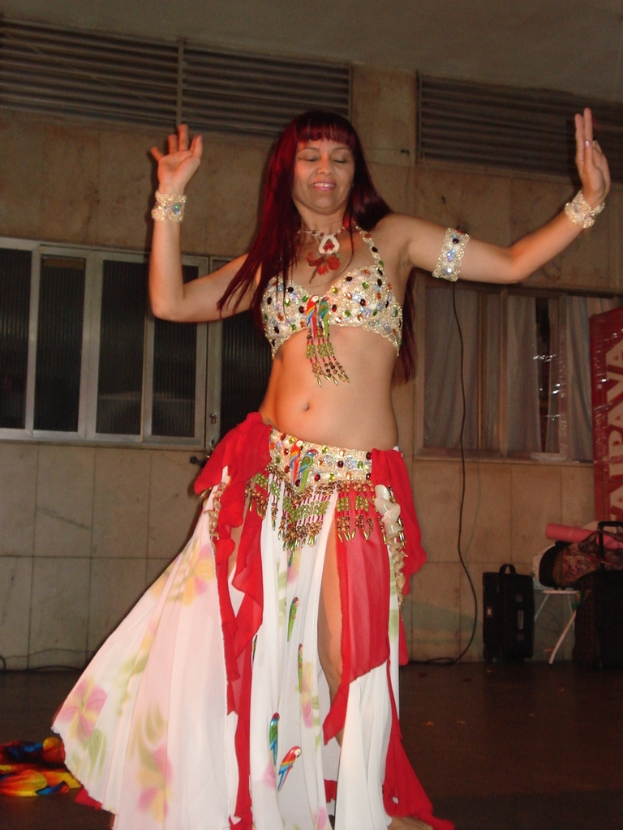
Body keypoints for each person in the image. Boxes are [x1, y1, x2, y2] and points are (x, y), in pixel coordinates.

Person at [53, 109, 610, 830]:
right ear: (285, 171)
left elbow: (508, 263)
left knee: (350, 653)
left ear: (356, 172)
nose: (325, 170)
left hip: (352, 483)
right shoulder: (267, 264)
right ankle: (266, 793)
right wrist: (169, 199)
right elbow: (171, 301)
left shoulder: (393, 240)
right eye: (310, 156)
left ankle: (368, 805)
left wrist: (586, 202)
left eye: (340, 157)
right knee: (235, 639)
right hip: (267, 480)